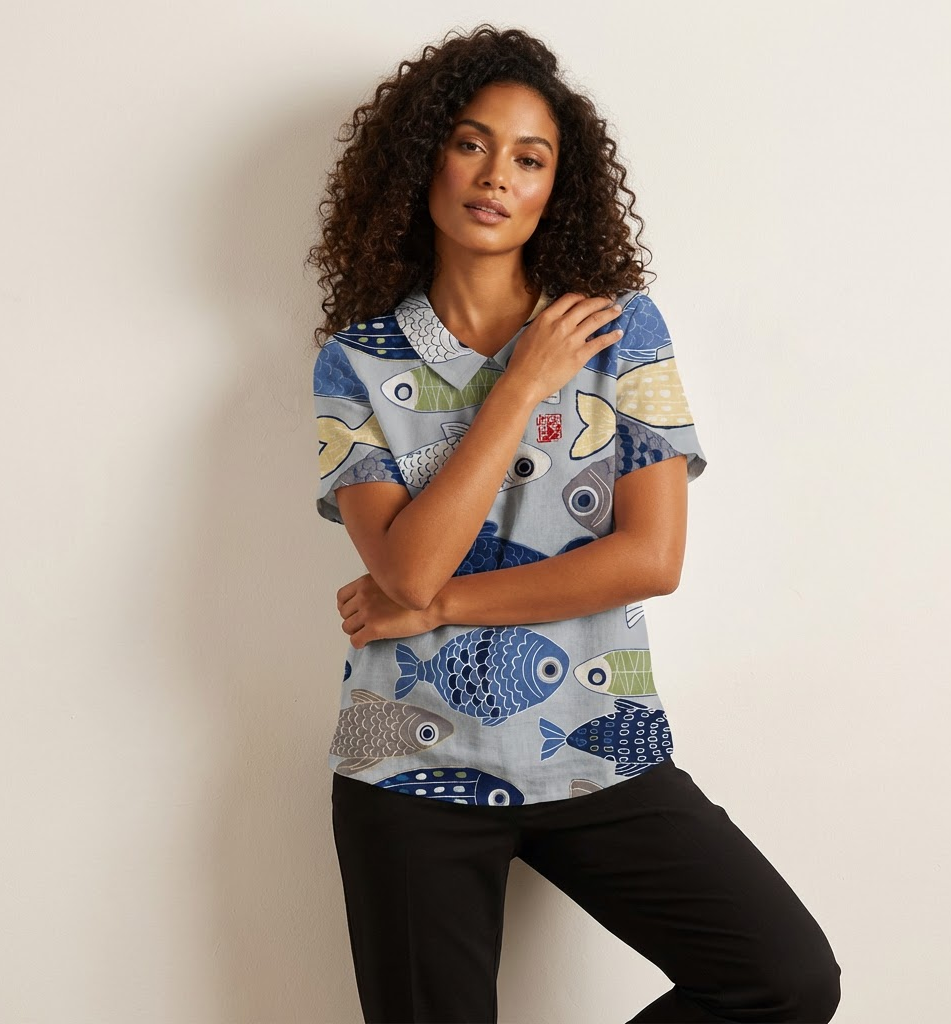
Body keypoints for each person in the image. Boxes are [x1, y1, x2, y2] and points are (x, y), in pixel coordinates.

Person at [306, 24, 842, 1024]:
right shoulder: (354, 364)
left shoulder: (622, 329)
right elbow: (406, 572)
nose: (495, 176)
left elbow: (650, 559)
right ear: (422, 161)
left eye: (529, 157)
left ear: (557, 186)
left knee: (782, 977)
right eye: (470, 143)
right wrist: (521, 386)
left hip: (599, 752)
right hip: (405, 769)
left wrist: (440, 606)